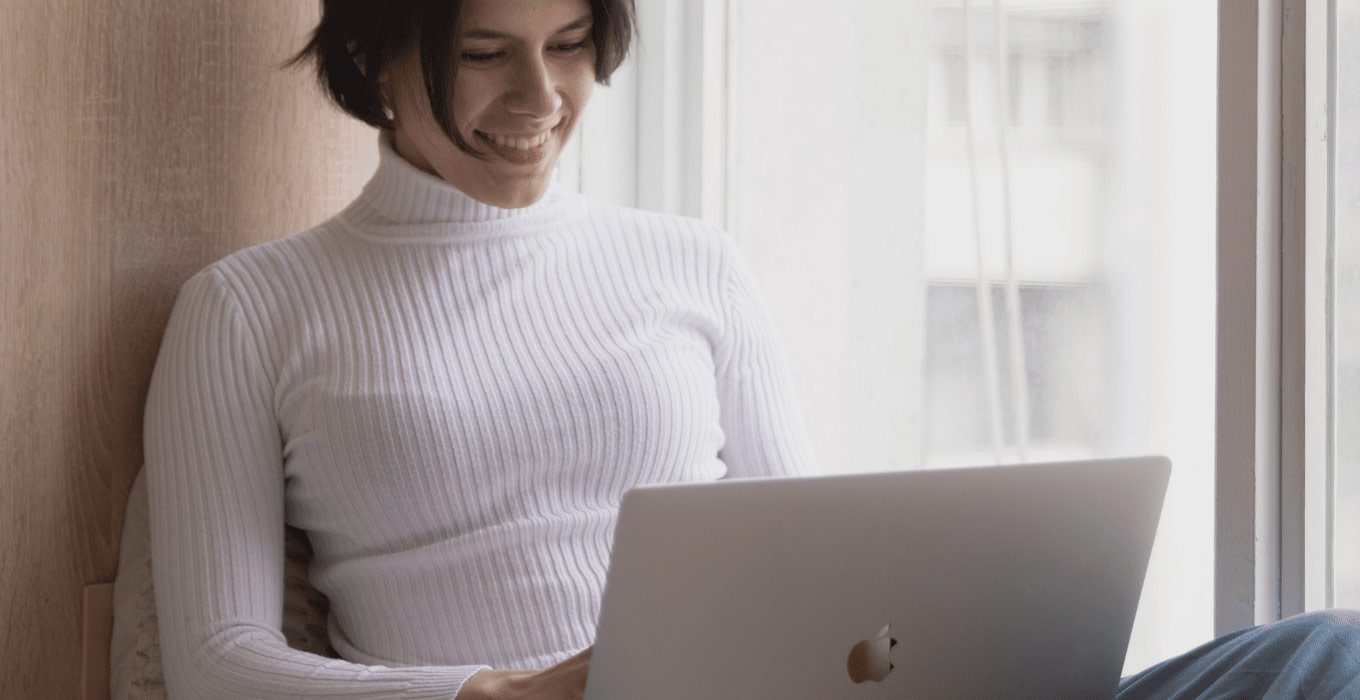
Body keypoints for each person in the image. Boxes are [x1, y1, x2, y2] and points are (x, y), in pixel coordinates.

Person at [143, 1, 1359, 699]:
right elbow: (214, 661)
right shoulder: (251, 308)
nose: (541, 94)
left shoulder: (689, 262)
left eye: (569, 42)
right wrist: (495, 699)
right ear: (374, 53)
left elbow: (817, 565)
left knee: (1323, 655)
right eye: (483, 52)